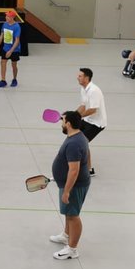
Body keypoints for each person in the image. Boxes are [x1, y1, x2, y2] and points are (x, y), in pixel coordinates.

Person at [49, 110, 90, 260]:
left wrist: (66, 191)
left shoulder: (73, 143)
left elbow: (74, 170)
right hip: (71, 183)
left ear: (69, 123)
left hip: (74, 185)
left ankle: (72, 249)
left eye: (62, 120)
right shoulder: (79, 136)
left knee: (73, 215)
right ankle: (66, 235)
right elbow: (87, 156)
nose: (61, 123)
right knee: (69, 212)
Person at [76, 67, 106, 176]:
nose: (77, 77)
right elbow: (83, 106)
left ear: (86, 78)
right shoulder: (83, 88)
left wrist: (77, 117)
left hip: (97, 123)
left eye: (80, 76)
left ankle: (89, 170)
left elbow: (93, 110)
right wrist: (74, 115)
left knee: (82, 142)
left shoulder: (94, 90)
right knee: (75, 137)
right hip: (87, 119)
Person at [0, 10, 22, 88]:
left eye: (8, 16)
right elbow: (1, 36)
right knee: (3, 62)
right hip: (5, 48)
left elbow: (17, 40)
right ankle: (3, 81)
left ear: (12, 17)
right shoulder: (5, 24)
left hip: (14, 49)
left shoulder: (16, 26)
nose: (6, 17)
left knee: (14, 65)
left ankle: (14, 79)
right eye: (6, 16)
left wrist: (11, 51)